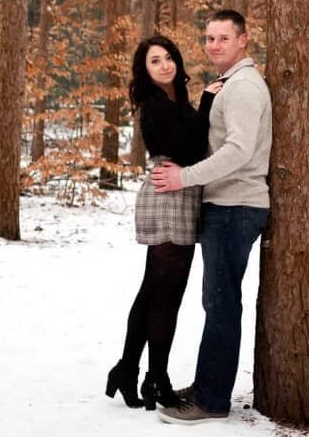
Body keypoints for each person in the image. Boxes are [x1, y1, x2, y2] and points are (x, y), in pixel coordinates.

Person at [150, 9, 272, 425]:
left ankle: (212, 399)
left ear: (243, 41)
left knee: (221, 304)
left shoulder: (242, 88)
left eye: (223, 38)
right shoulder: (231, 86)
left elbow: (238, 151)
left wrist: (185, 177)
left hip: (235, 205)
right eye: (209, 38)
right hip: (227, 205)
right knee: (218, 301)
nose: (214, 45)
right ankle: (209, 385)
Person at [106, 35, 223, 411]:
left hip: (181, 195)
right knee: (166, 298)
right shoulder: (154, 105)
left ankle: (127, 369)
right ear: (145, 70)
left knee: (153, 292)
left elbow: (191, 145)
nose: (164, 65)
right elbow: (189, 149)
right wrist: (207, 101)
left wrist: (198, 104)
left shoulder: (177, 102)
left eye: (168, 57)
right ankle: (157, 378)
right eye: (154, 61)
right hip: (167, 196)